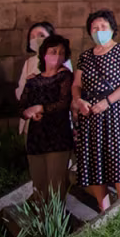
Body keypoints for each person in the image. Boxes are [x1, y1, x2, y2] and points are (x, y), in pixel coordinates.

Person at [71, 9, 120, 212]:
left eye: (103, 27)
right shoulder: (85, 57)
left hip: (114, 111)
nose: (99, 30)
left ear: (112, 29)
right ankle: (104, 209)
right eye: (95, 27)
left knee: (117, 157)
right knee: (94, 160)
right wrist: (79, 101)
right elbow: (76, 85)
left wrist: (107, 102)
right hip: (90, 114)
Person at [20, 34, 75, 200]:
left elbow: (63, 103)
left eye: (61, 52)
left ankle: (56, 224)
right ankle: (42, 224)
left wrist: (40, 108)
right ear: (44, 54)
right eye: (53, 51)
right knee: (39, 186)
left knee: (56, 186)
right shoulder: (33, 81)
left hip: (58, 138)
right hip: (36, 139)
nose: (57, 56)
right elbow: (22, 106)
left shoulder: (65, 77)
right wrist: (29, 113)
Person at [16, 20, 62, 135]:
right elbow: (20, 90)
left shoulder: (61, 61)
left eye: (41, 35)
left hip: (53, 118)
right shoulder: (29, 63)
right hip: (31, 118)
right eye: (32, 37)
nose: (36, 39)